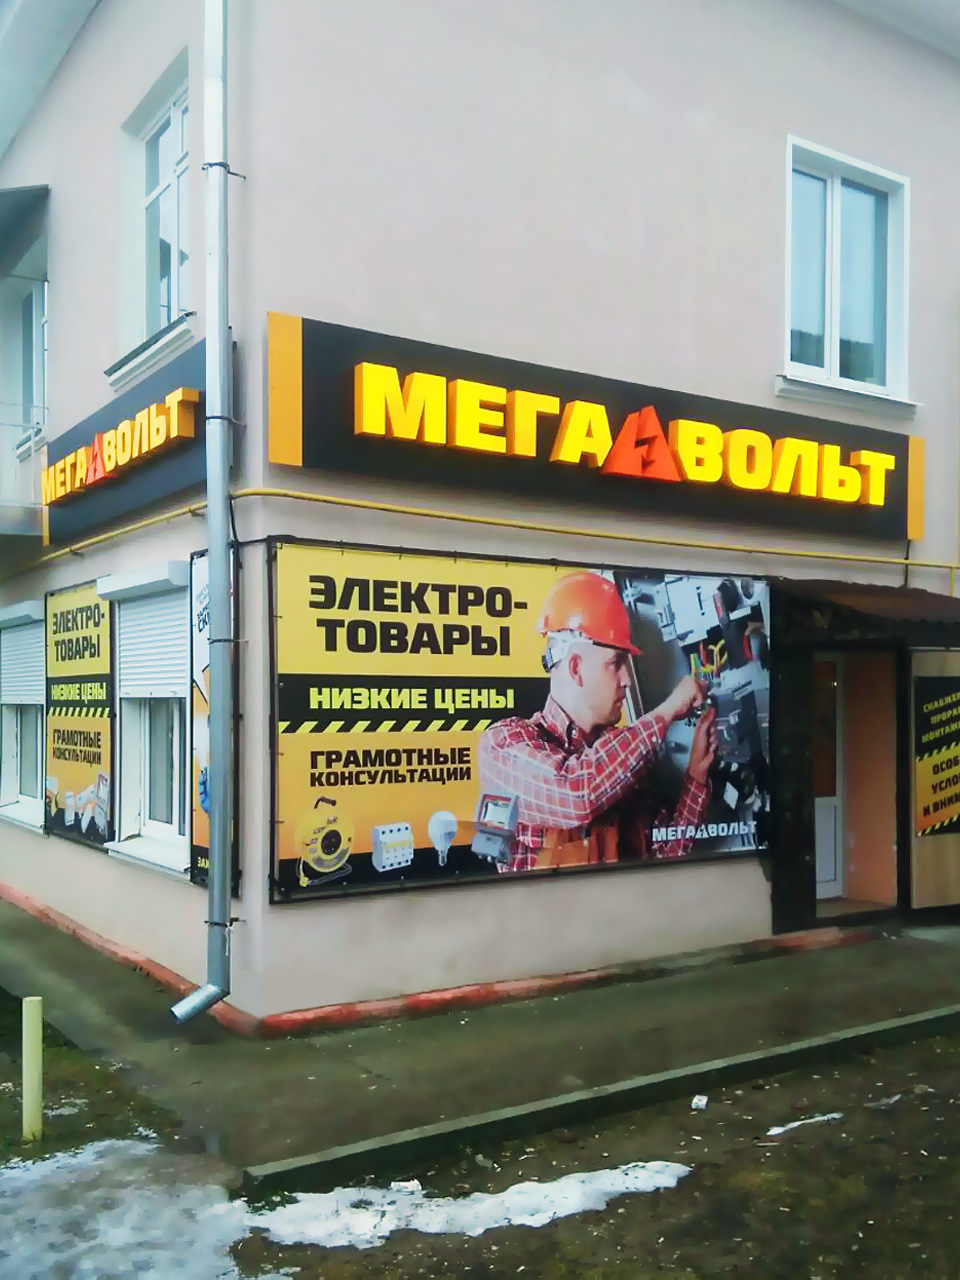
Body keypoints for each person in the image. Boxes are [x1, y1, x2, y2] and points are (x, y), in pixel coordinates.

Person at [478, 571, 717, 871]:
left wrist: (696, 776)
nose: (627, 679)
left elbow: (663, 862)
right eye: (616, 663)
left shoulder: (625, 759)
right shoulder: (501, 745)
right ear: (576, 667)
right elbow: (576, 793)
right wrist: (667, 710)